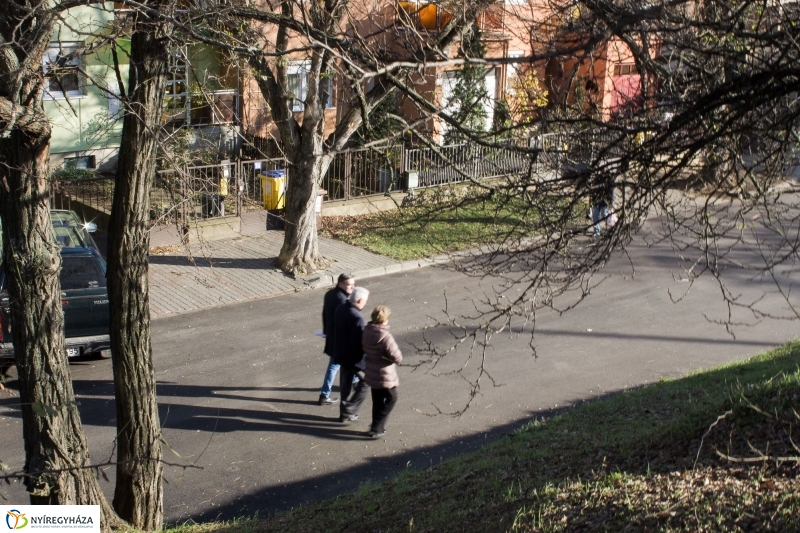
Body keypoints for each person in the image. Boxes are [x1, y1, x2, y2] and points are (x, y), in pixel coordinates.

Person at [362, 305, 402, 439]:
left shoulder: (366, 331)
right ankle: (377, 426)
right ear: (385, 320)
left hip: (371, 370)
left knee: (377, 400)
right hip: (385, 373)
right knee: (392, 398)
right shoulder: (385, 337)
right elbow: (397, 357)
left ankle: (376, 426)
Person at [333, 286, 370, 423]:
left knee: (345, 386)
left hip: (341, 355)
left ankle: (343, 415)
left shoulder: (340, 308)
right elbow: (359, 343)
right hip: (354, 359)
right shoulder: (357, 317)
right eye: (365, 301)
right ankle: (350, 409)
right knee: (366, 382)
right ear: (360, 300)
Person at [318, 273, 354, 406]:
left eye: (353, 284)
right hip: (340, 340)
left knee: (341, 364)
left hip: (332, 336)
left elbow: (324, 314)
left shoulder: (329, 294)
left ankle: (354, 381)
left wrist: (325, 331)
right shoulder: (343, 300)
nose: (352, 287)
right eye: (349, 285)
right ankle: (324, 394)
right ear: (340, 284)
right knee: (335, 365)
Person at [591, 172, 616, 236]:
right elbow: (593, 191)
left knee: (604, 215)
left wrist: (610, 202)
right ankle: (597, 232)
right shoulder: (596, 179)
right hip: (597, 201)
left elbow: (611, 192)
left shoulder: (609, 179)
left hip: (604, 202)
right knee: (595, 216)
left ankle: (613, 228)